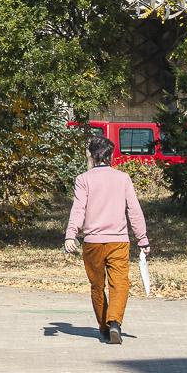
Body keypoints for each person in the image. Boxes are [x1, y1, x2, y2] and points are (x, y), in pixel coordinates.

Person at [64, 130, 149, 344]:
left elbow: (78, 209)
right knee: (120, 283)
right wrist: (142, 239)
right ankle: (115, 323)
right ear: (109, 156)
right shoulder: (123, 178)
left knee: (97, 285)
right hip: (119, 241)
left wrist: (70, 235)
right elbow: (134, 210)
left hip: (92, 242)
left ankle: (103, 326)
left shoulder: (83, 179)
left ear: (93, 156)